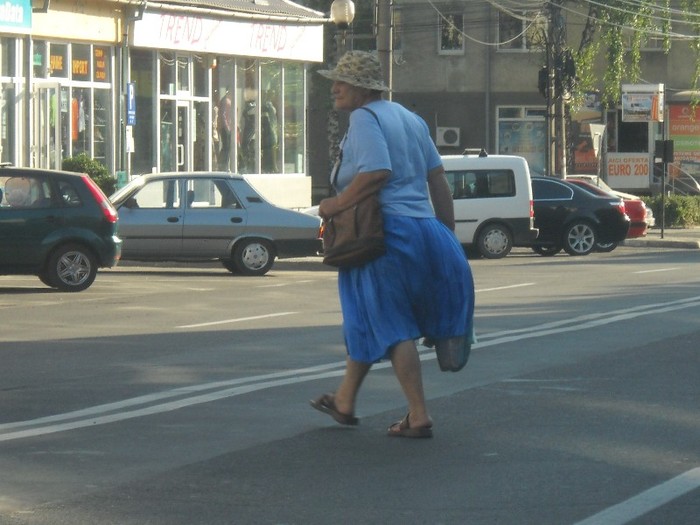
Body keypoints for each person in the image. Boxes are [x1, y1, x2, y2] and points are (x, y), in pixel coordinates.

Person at [309, 51, 475, 438]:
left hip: (383, 234)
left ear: (362, 89)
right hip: (424, 230)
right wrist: (447, 238)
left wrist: (334, 205)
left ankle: (418, 415)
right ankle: (345, 400)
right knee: (372, 317)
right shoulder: (411, 119)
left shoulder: (364, 118)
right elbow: (438, 181)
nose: (334, 88)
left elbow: (377, 172)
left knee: (394, 324)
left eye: (342, 82)